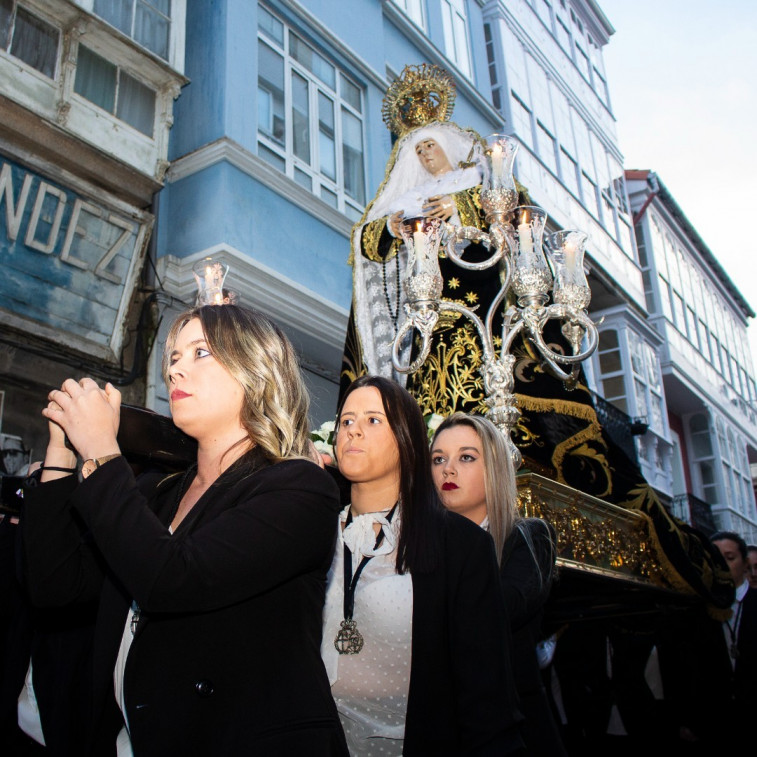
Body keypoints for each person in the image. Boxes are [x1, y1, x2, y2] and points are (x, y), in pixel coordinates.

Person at [21, 304, 348, 756]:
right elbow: (55, 585)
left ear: (255, 368)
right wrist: (60, 454)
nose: (176, 371)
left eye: (199, 353)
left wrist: (99, 448)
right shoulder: (159, 490)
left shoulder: (299, 487)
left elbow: (173, 580)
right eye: (173, 357)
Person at [320, 375, 524, 755]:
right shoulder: (312, 531)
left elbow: (486, 698)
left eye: (372, 420)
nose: (353, 432)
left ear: (407, 439)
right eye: (346, 421)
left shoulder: (460, 545)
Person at [430, 412, 566, 757]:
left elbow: (499, 610)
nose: (448, 469)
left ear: (494, 469)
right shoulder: (419, 545)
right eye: (438, 459)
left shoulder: (530, 535)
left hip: (516, 730)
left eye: (466, 457)